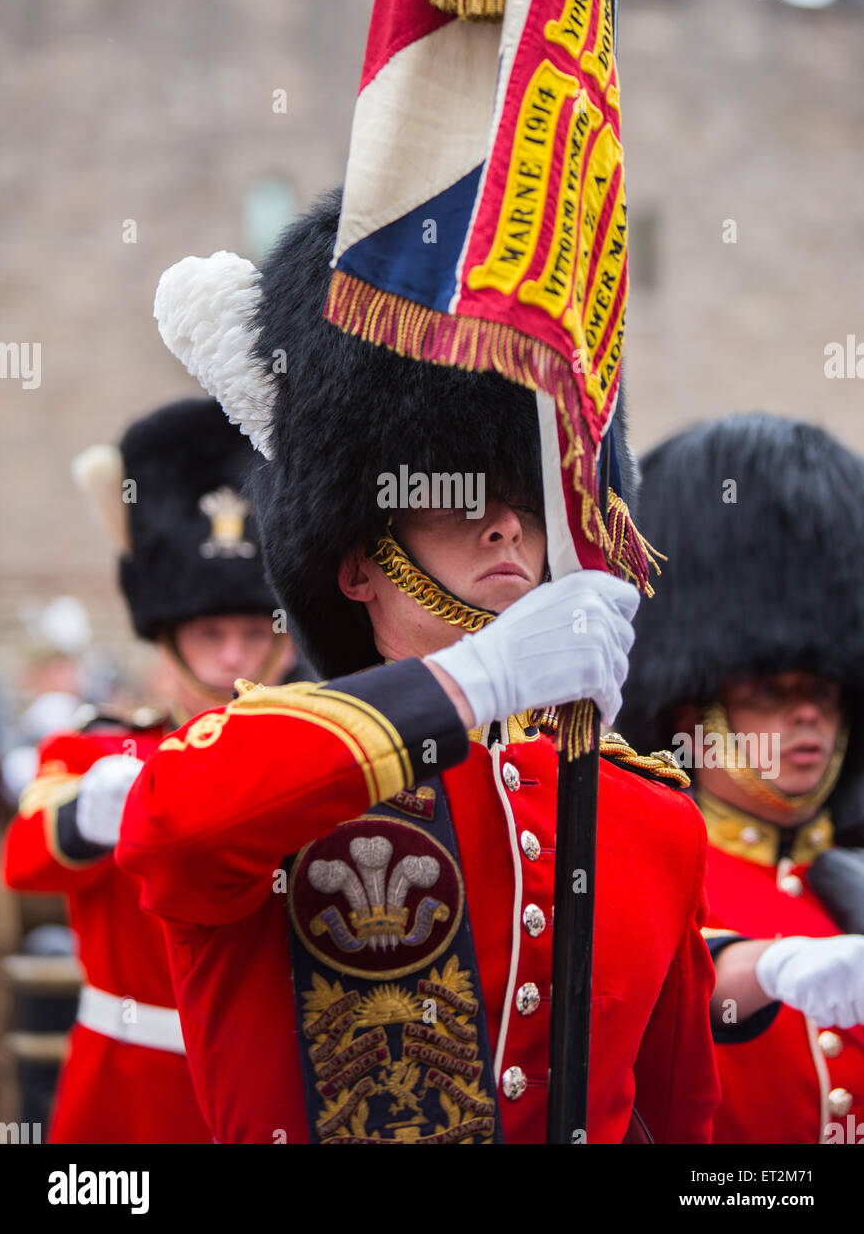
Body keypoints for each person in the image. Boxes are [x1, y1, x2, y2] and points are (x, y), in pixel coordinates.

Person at [117, 190, 722, 1145]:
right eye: (462, 493)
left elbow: (678, 1120)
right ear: (357, 562)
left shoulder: (649, 817)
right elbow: (171, 837)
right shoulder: (268, 774)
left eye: (533, 494)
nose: (507, 523)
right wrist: (480, 678)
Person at [2, 398, 299, 1143]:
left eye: (252, 631)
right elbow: (26, 860)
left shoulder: (312, 762)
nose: (233, 657)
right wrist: (90, 816)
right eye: (208, 633)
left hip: (271, 1086)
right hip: (128, 1088)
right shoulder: (93, 751)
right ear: (165, 641)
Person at [618, 413, 864, 1145]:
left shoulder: (840, 881)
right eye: (771, 695)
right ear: (695, 711)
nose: (809, 720)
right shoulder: (650, 873)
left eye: (823, 695)